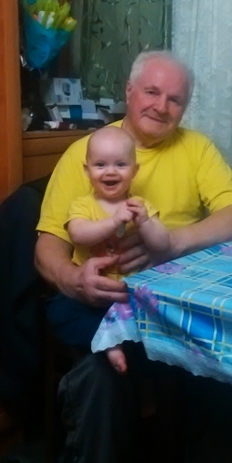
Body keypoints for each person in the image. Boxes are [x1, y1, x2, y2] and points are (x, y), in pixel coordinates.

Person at [35, 50, 232, 463]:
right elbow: (47, 245)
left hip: (176, 306)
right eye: (152, 92)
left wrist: (173, 244)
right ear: (129, 92)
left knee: (225, 366)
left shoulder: (196, 149)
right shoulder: (85, 151)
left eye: (175, 99)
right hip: (107, 304)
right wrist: (74, 279)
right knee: (100, 377)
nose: (162, 105)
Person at [66, 124, 170, 374]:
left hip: (129, 294)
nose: (110, 171)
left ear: (135, 170)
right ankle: (109, 343)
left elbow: (163, 244)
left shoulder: (139, 205)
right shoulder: (82, 205)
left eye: (120, 165)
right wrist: (113, 222)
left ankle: (122, 341)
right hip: (93, 295)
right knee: (66, 311)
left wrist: (145, 223)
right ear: (87, 170)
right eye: (100, 165)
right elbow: (78, 234)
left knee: (157, 316)